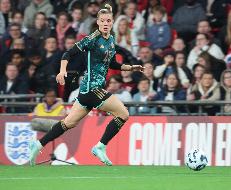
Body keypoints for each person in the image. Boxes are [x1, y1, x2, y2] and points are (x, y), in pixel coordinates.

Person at [29, 4, 144, 166]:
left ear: (112, 23)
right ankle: (100, 146)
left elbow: (113, 64)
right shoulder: (92, 39)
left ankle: (38, 144)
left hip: (88, 92)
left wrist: (131, 67)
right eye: (102, 20)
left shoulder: (111, 40)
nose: (105, 23)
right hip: (91, 89)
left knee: (68, 123)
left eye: (109, 20)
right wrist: (62, 71)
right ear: (97, 22)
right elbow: (67, 53)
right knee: (123, 114)